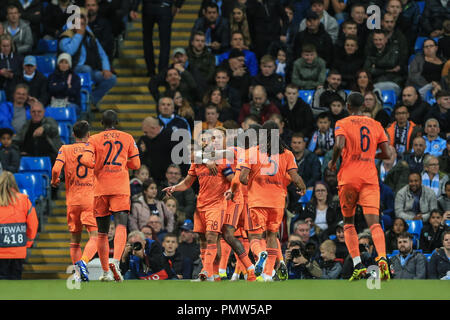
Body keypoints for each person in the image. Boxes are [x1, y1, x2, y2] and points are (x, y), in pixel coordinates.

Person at [328, 92, 392, 281]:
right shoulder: (376, 125)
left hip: (348, 178)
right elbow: (387, 153)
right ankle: (382, 258)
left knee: (349, 222)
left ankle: (357, 265)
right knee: (374, 223)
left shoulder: (342, 123)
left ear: (348, 106)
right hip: (369, 178)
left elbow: (339, 144)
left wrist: (333, 161)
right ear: (364, 106)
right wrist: (371, 155)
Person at [162, 128, 238, 281]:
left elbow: (234, 180)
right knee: (203, 240)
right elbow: (188, 182)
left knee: (211, 237)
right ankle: (213, 274)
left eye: (207, 139)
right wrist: (174, 187)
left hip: (217, 205)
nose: (204, 142)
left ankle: (205, 271)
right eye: (202, 140)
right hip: (201, 205)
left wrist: (231, 190)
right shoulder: (197, 161)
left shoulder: (222, 159)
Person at [238, 121, 307, 281]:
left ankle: (259, 254)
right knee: (271, 236)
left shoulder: (252, 152)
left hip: (257, 201)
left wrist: (251, 183)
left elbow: (242, 178)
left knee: (255, 237)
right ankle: (268, 274)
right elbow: (295, 177)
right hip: (277, 203)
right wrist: (302, 187)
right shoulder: (287, 153)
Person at [80, 109, 141, 282]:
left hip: (100, 189)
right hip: (120, 187)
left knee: (102, 232)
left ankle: (106, 271)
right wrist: (122, 163)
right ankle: (116, 262)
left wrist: (96, 164)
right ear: (117, 122)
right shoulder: (127, 137)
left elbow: (85, 160)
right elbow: (136, 164)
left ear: (101, 123)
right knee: (121, 225)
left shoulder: (93, 139)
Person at [51, 120, 98, 282]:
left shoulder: (65, 149)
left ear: (73, 134)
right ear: (89, 135)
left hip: (73, 200)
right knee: (96, 236)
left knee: (75, 240)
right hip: (90, 198)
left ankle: (77, 274)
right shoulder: (93, 148)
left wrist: (54, 181)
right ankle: (83, 264)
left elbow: (56, 169)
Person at [58, 10, 117, 111]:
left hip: (91, 70)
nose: (81, 26)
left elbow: (102, 54)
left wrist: (106, 68)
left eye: (82, 24)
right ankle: (85, 102)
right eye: (78, 24)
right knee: (86, 69)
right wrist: (79, 35)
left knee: (111, 79)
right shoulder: (66, 36)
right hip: (73, 70)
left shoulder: (90, 37)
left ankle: (91, 100)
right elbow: (70, 51)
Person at [129, 0, 184, 76]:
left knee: (147, 40)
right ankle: (162, 72)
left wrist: (134, 8)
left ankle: (151, 70)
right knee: (165, 43)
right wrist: (178, 4)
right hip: (165, 7)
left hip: (148, 7)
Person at [0, 171, 38, 280]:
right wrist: (29, 241)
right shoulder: (24, 200)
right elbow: (33, 224)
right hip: (18, 251)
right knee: (16, 282)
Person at [12, 99, 62, 164]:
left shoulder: (49, 120)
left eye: (39, 112)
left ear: (43, 112)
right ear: (30, 112)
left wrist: (44, 128)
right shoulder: (26, 124)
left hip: (49, 158)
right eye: (33, 112)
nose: (36, 114)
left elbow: (53, 128)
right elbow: (19, 139)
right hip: (28, 158)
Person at [363, 29, 403, 97]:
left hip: (393, 80)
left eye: (380, 40)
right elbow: (367, 70)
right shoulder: (370, 51)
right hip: (376, 82)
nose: (378, 42)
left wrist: (375, 65)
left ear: (386, 40)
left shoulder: (393, 48)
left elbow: (391, 63)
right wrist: (386, 70)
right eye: (375, 40)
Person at [137, 116, 176, 184]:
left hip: (168, 180)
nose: (144, 134)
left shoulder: (172, 136)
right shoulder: (144, 139)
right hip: (150, 180)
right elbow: (138, 158)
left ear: (153, 128)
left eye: (146, 132)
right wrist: (144, 152)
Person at [85, 0, 114, 64]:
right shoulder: (81, 23)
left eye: (93, 5)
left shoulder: (104, 23)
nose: (91, 8)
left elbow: (106, 43)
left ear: (97, 7)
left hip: (100, 58)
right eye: (88, 5)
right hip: (84, 59)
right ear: (85, 7)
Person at [0, 34, 23, 101]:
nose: (6, 48)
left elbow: (23, 73)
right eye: (3, 46)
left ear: (11, 46)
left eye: (8, 46)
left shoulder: (18, 58)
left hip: (15, 86)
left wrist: (12, 75)